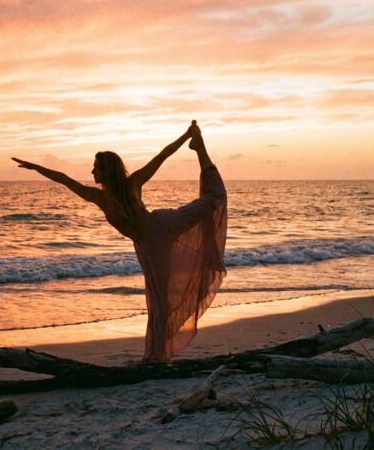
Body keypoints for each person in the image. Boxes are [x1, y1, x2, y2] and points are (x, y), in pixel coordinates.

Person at [12, 121, 227, 362]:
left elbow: (161, 156)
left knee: (214, 198)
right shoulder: (99, 197)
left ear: (106, 170)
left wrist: (186, 135)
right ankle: (156, 355)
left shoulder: (132, 184)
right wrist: (35, 167)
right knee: (158, 301)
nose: (92, 172)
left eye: (96, 168)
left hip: (162, 225)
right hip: (148, 246)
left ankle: (200, 148)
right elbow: (64, 179)